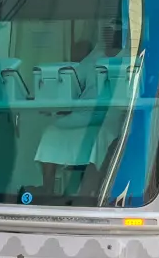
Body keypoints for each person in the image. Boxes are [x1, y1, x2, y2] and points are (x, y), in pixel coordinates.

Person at [32, 21, 124, 198]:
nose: (110, 35)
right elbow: (73, 82)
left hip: (110, 113)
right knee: (52, 132)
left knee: (98, 136)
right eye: (107, 31)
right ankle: (48, 190)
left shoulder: (127, 57)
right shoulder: (94, 57)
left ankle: (87, 194)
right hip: (83, 112)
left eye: (114, 32)